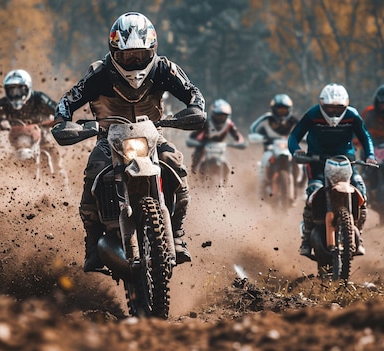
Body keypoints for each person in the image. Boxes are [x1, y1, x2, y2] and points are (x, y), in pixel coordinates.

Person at [51, 12, 206, 272]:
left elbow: (192, 92)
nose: (134, 62)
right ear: (114, 52)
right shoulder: (99, 73)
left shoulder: (164, 68)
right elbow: (68, 101)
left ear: (152, 51)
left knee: (177, 167)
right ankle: (93, 246)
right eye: (127, 56)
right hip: (108, 140)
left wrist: (195, 109)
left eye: (140, 55)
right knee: (92, 178)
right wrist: (62, 121)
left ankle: (177, 236)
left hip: (153, 136)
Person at [288, 83, 377, 257]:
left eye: (338, 109)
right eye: (329, 108)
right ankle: (306, 239)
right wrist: (296, 151)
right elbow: (294, 136)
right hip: (317, 161)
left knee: (361, 193)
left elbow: (365, 136)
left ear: (346, 105)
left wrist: (370, 155)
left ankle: (357, 233)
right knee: (312, 195)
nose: (334, 113)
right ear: (321, 104)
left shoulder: (352, 115)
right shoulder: (313, 114)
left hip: (346, 161)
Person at [248, 93, 301, 198]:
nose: (281, 113)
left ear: (289, 110)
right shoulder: (266, 119)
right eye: (279, 110)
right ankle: (260, 190)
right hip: (270, 149)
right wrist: (261, 137)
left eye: (284, 110)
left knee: (302, 163)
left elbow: (305, 131)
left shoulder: (294, 121)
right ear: (273, 109)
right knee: (264, 160)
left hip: (289, 150)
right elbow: (252, 130)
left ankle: (302, 191)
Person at [189, 99, 246, 174]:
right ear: (213, 114)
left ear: (227, 116)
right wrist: (195, 141)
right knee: (197, 154)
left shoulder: (229, 124)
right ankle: (194, 171)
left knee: (230, 163)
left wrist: (240, 142)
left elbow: (237, 136)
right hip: (205, 145)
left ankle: (229, 176)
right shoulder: (206, 122)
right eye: (218, 116)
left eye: (223, 116)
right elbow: (194, 135)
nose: (220, 118)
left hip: (221, 147)